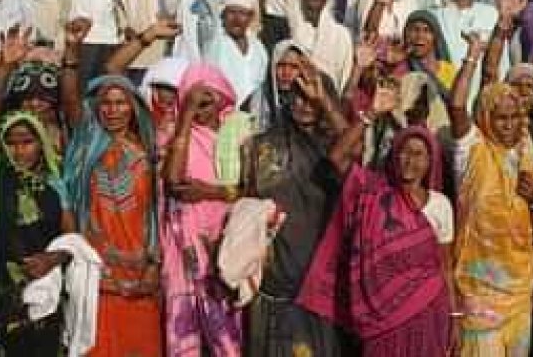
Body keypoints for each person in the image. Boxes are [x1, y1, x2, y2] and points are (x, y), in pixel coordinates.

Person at [298, 80, 453, 355]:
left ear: (431, 162)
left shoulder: (440, 205)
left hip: (429, 311)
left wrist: (454, 316)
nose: (410, 160)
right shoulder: (372, 191)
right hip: (380, 321)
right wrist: (370, 113)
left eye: (419, 154)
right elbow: (337, 157)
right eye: (404, 152)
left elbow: (445, 265)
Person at [59, 20, 161, 356]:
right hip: (96, 275)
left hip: (142, 276)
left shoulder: (147, 149)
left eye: (121, 102)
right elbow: (70, 99)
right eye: (106, 103)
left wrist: (154, 265)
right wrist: (72, 52)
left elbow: (156, 213)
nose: (113, 110)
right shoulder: (88, 141)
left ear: (133, 107)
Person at [245, 61, 349, 356]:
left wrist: (323, 100)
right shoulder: (261, 146)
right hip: (272, 275)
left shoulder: (334, 148)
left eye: (311, 98)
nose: (304, 105)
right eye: (298, 96)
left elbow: (354, 150)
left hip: (319, 274)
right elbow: (249, 200)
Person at [448, 32, 533, 355]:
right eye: (501, 118)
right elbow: (456, 105)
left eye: (514, 117)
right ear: (487, 117)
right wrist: (473, 54)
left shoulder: (526, 150)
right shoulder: (472, 150)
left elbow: (532, 211)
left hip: (520, 284)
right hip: (479, 290)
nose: (508, 125)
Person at [161, 64, 247, 355]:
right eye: (192, 101)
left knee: (227, 337)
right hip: (184, 245)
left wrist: (211, 192)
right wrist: (185, 117)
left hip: (226, 240)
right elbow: (174, 180)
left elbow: (253, 189)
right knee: (184, 333)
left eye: (205, 102)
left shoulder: (240, 133)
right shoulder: (173, 133)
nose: (200, 110)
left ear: (222, 97)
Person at [0, 111, 66, 355]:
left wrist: (52, 258)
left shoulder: (55, 183)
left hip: (46, 283)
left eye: (27, 142)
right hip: (4, 287)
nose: (19, 151)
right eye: (11, 143)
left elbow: (72, 236)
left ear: (41, 143)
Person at [428, 0, 501, 105]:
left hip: (483, 96)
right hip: (445, 95)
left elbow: (501, 60)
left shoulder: (490, 13)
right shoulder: (433, 16)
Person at [204, 0, 269, 110]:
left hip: (255, 114)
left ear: (250, 17)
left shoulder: (259, 49)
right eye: (232, 12)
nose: (237, 19)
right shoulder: (215, 45)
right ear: (223, 15)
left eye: (242, 13)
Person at [287, 0, 354, 94]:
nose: (310, 4)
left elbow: (345, 73)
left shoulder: (341, 35)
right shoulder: (299, 33)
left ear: (325, 2)